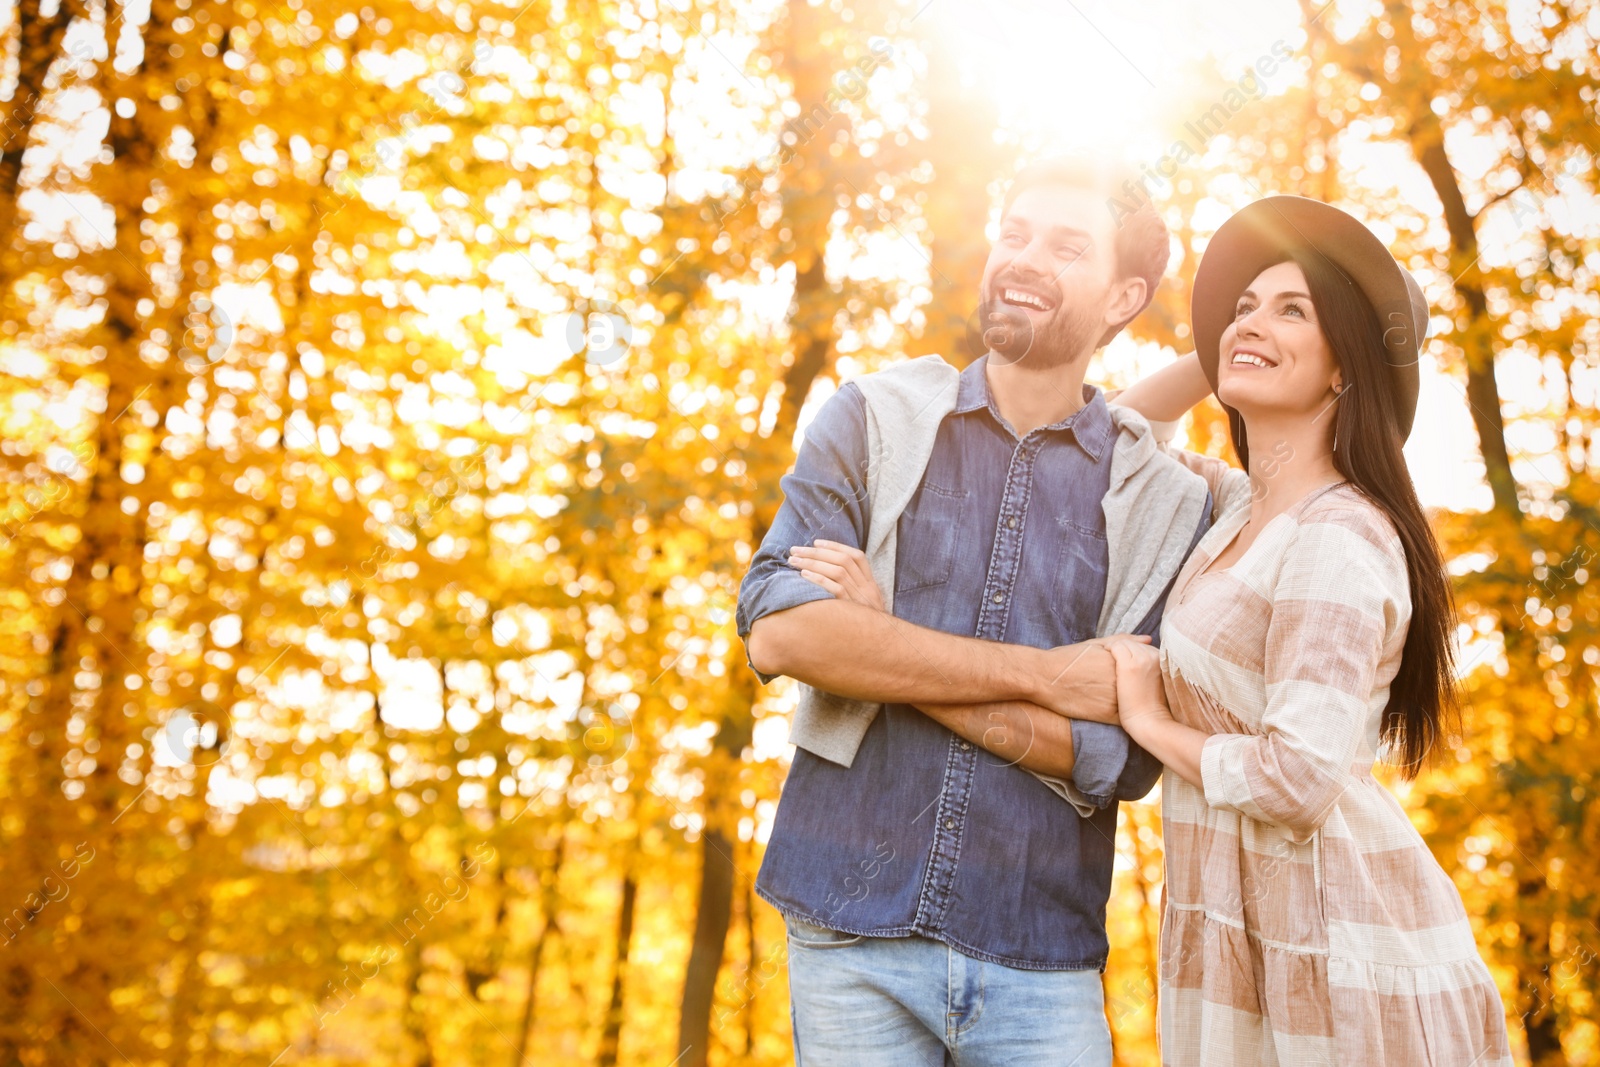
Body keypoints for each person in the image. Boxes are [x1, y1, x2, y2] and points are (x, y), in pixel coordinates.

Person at [792, 195, 1514, 1065]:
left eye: (1296, 311)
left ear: (1343, 367)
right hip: (1235, 911)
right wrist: (1234, 346)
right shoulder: (1235, 509)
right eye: (1245, 303)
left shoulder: (1340, 534)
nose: (1252, 320)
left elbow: (1302, 777)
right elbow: (1114, 434)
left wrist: (1146, 720)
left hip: (1330, 925)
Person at [735, 157, 1214, 1066]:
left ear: (1122, 298)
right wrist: (1050, 677)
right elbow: (783, 627)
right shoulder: (868, 418)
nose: (1025, 257)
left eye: (1067, 246)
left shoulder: (1163, 501)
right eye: (1015, 233)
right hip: (847, 933)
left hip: (1040, 954)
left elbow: (1119, 754)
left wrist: (879, 649)